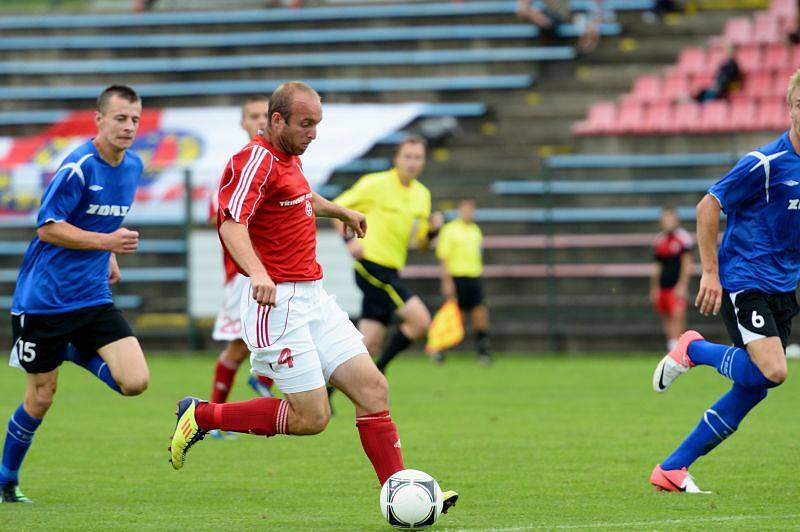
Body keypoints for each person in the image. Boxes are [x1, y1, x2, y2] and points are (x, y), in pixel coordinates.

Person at [167, 82, 458, 514]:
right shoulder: (255, 160)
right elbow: (231, 223)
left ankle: (400, 493)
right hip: (276, 306)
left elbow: (299, 197)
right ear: (277, 120)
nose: (314, 133)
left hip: (314, 298)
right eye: (306, 124)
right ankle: (203, 416)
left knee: (374, 388)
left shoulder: (289, 159)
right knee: (312, 418)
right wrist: (260, 273)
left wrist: (340, 210)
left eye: (318, 124)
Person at [650, 69, 800, 493]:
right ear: (789, 108)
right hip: (745, 280)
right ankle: (693, 348)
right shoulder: (765, 163)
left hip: (783, 287)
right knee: (774, 370)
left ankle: (672, 468)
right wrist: (711, 273)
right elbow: (707, 205)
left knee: (754, 387)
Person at [0, 85, 149, 503]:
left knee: (135, 381)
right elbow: (47, 227)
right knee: (40, 399)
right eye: (120, 118)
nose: (129, 127)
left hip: (92, 296)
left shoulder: (133, 165)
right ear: (98, 120)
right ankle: (5, 480)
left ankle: (69, 350)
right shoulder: (77, 166)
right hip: (44, 301)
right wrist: (106, 246)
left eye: (135, 119)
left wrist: (108, 257)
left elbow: (104, 222)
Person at [332, 135, 443, 374]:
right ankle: (380, 372)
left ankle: (325, 393)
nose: (412, 162)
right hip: (371, 265)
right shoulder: (376, 183)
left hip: (392, 269)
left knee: (367, 345)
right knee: (421, 321)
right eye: (408, 157)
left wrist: (433, 231)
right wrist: (348, 241)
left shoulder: (422, 194)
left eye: (418, 157)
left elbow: (421, 243)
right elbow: (336, 209)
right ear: (396, 159)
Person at [207, 95, 276, 440]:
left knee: (255, 340)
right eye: (253, 116)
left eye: (265, 115)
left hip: (272, 273)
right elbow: (223, 218)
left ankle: (259, 382)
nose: (260, 121)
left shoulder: (277, 162)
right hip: (244, 275)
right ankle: (216, 415)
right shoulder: (238, 165)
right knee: (238, 344)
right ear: (242, 122)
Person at [432, 198, 491, 364]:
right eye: (465, 210)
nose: (468, 213)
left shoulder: (475, 230)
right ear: (460, 210)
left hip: (474, 276)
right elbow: (444, 257)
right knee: (454, 315)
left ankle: (483, 351)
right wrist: (447, 281)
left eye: (471, 210)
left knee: (480, 313)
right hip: (457, 277)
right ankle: (441, 349)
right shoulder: (450, 230)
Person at [650, 207, 693, 352]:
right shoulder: (660, 240)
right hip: (663, 286)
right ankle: (671, 347)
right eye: (665, 218)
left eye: (670, 218)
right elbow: (657, 267)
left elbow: (687, 264)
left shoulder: (683, 238)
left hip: (676, 285)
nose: (668, 221)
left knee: (678, 315)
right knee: (666, 315)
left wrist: (682, 285)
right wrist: (654, 287)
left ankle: (680, 348)